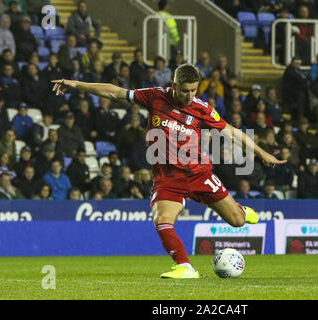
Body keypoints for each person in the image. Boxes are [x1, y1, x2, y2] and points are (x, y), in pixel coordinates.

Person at [52, 63, 286, 279]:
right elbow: (114, 92)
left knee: (236, 221)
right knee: (162, 219)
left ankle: (241, 211)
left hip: (199, 174)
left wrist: (262, 153)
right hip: (167, 178)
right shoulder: (154, 96)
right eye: (185, 90)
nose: (190, 96)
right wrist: (76, 84)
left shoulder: (202, 108)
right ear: (173, 85)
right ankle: (184, 266)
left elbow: (232, 132)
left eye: (194, 90)